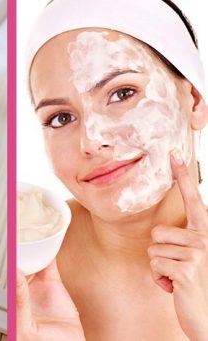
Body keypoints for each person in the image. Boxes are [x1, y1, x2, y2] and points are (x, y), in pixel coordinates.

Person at [18, 0, 208, 340]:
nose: (91, 140)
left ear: (193, 99)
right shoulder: (19, 267)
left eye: (122, 93)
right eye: (60, 118)